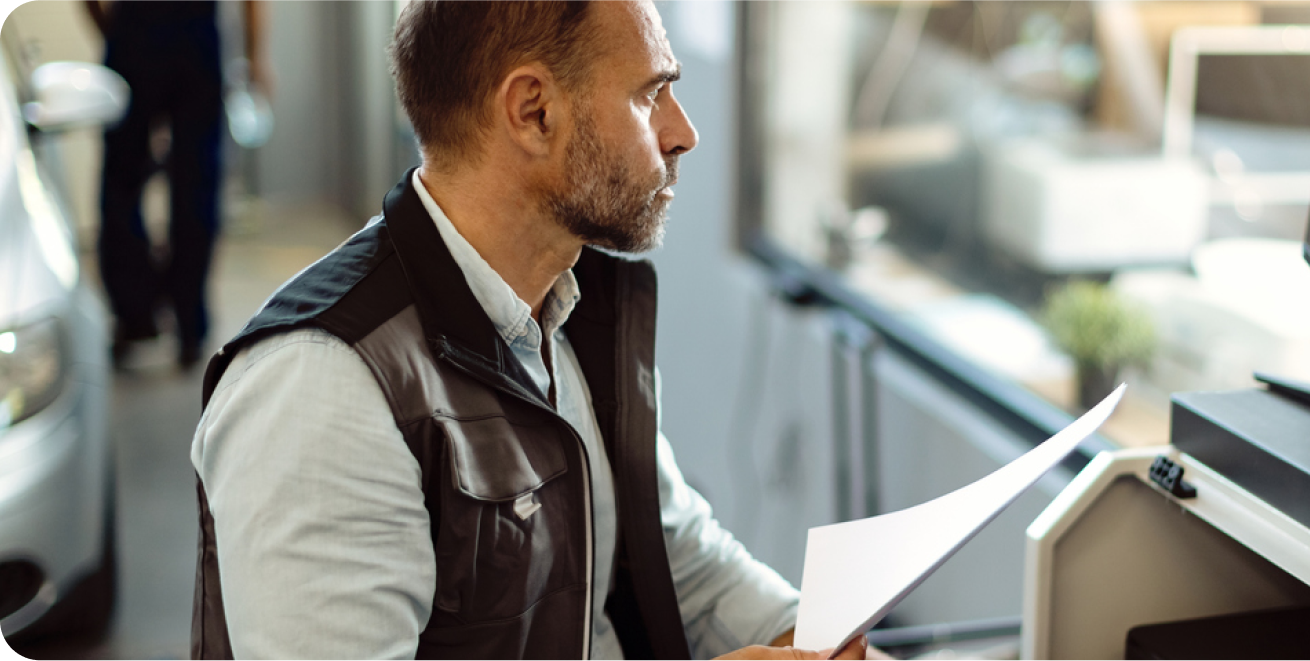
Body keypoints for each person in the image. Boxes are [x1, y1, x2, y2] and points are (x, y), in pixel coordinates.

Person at [190, 1, 889, 659]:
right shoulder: (321, 389)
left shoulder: (573, 308)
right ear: (534, 111)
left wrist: (819, 641)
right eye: (650, 95)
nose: (682, 132)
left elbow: (680, 560)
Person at [84, 0, 268, 368]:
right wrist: (255, 56)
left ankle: (135, 314)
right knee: (196, 182)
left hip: (134, 28)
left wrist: (111, 29)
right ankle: (189, 323)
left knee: (122, 181)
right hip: (195, 33)